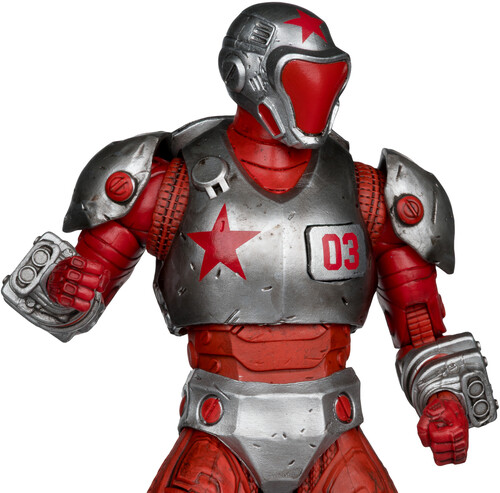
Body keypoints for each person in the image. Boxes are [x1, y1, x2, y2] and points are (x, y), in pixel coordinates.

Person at [3, 3, 496, 492]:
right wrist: (66, 285)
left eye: (327, 77)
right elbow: (66, 300)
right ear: (245, 75)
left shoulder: (372, 192)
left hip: (334, 432)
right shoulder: (164, 185)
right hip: (219, 433)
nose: (317, 94)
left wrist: (444, 401)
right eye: (302, 77)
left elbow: (420, 327)